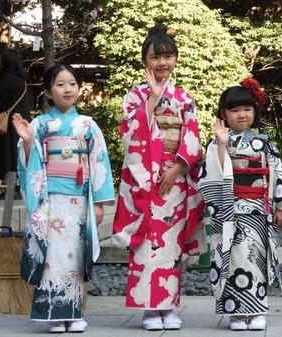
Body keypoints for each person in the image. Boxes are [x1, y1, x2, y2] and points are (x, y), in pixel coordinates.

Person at [111, 24, 206, 331]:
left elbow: (192, 136)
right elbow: (130, 135)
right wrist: (151, 101)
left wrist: (178, 168)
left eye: (168, 56)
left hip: (174, 178)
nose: (162, 63)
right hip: (145, 178)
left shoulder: (183, 97)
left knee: (170, 243)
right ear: (145, 62)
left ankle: (168, 305)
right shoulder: (134, 95)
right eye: (156, 57)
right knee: (146, 242)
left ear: (175, 59)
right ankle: (150, 308)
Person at [12, 64, 115, 333]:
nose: (67, 89)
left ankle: (75, 311)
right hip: (51, 200)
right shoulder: (40, 124)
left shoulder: (87, 125)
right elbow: (30, 163)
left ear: (79, 88)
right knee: (54, 256)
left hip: (80, 199)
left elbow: (98, 161)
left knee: (75, 256)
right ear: (48, 91)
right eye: (60, 84)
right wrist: (26, 141)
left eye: (72, 83)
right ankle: (52, 313)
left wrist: (100, 203)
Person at [198, 78, 282, 331]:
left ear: (255, 111)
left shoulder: (263, 143)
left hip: (258, 212)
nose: (241, 115)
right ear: (224, 114)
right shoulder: (217, 143)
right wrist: (222, 143)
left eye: (246, 109)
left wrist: (281, 207)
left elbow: (278, 173)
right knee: (233, 259)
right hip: (229, 212)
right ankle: (235, 312)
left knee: (256, 259)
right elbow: (215, 174)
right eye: (234, 110)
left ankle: (256, 311)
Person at [0, 48, 31, 199]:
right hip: (21, 123)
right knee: (18, 155)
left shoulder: (6, 79)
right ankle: (18, 188)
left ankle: (11, 190)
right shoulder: (22, 81)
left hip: (9, 125)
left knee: (8, 155)